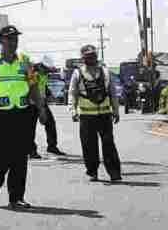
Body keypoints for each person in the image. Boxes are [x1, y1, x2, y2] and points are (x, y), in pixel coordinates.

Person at [0, 25, 48, 209]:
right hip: (1, 113)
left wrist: (41, 109)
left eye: (15, 38)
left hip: (23, 112)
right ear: (1, 40)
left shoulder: (25, 60)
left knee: (21, 155)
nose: (13, 42)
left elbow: (33, 86)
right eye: (9, 39)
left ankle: (16, 197)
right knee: (5, 153)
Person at [69, 44, 122, 182]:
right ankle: (92, 172)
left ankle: (114, 173)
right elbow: (73, 93)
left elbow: (113, 93)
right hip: (86, 116)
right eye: (88, 56)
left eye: (93, 55)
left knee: (108, 144)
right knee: (89, 146)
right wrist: (73, 110)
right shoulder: (77, 73)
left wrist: (116, 111)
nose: (91, 58)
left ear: (96, 56)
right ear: (83, 58)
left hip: (104, 115)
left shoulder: (105, 72)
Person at [29, 62, 65, 158]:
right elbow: (31, 88)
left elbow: (43, 86)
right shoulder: (34, 74)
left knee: (50, 123)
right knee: (31, 127)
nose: (48, 70)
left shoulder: (43, 75)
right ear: (40, 67)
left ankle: (52, 146)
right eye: (46, 68)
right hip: (32, 103)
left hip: (42, 102)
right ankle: (31, 151)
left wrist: (49, 94)